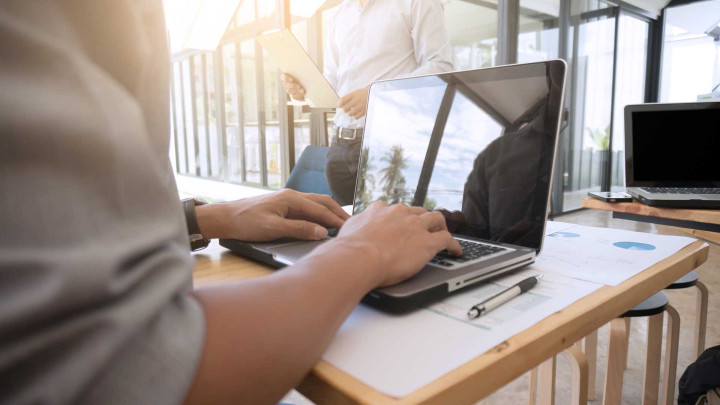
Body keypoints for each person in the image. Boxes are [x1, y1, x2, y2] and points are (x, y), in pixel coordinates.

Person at [0, 2, 462, 405]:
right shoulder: (340, 17)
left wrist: (205, 218)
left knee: (399, 239)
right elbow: (122, 373)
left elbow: (441, 68)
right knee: (360, 239)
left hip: (396, 142)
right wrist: (362, 252)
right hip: (345, 141)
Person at [283, 0, 453, 205]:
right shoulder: (338, 14)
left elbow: (440, 66)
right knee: (349, 229)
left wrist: (379, 95)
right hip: (339, 146)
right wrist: (304, 91)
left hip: (388, 142)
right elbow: (333, 80)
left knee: (387, 230)